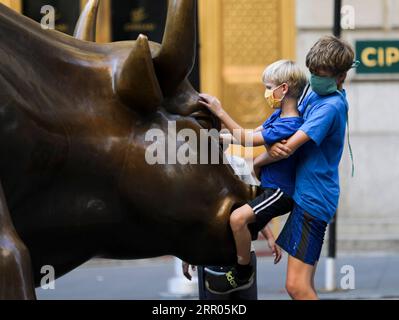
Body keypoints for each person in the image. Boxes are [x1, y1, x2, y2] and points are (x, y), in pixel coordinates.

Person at [254, 35, 357, 299]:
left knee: (296, 287)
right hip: (308, 195)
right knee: (304, 285)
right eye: (311, 72)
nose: (313, 79)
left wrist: (258, 160)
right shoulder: (316, 94)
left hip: (313, 200)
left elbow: (289, 146)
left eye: (320, 74)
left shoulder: (330, 106)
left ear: (340, 76)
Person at [198, 60, 308, 294]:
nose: (267, 92)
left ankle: (242, 273)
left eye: (269, 87)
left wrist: (219, 110)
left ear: (284, 89)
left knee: (238, 219)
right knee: (230, 217)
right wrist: (216, 136)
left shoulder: (290, 124)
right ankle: (230, 266)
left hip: (280, 192)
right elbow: (248, 133)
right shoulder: (277, 116)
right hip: (268, 188)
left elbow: (248, 140)